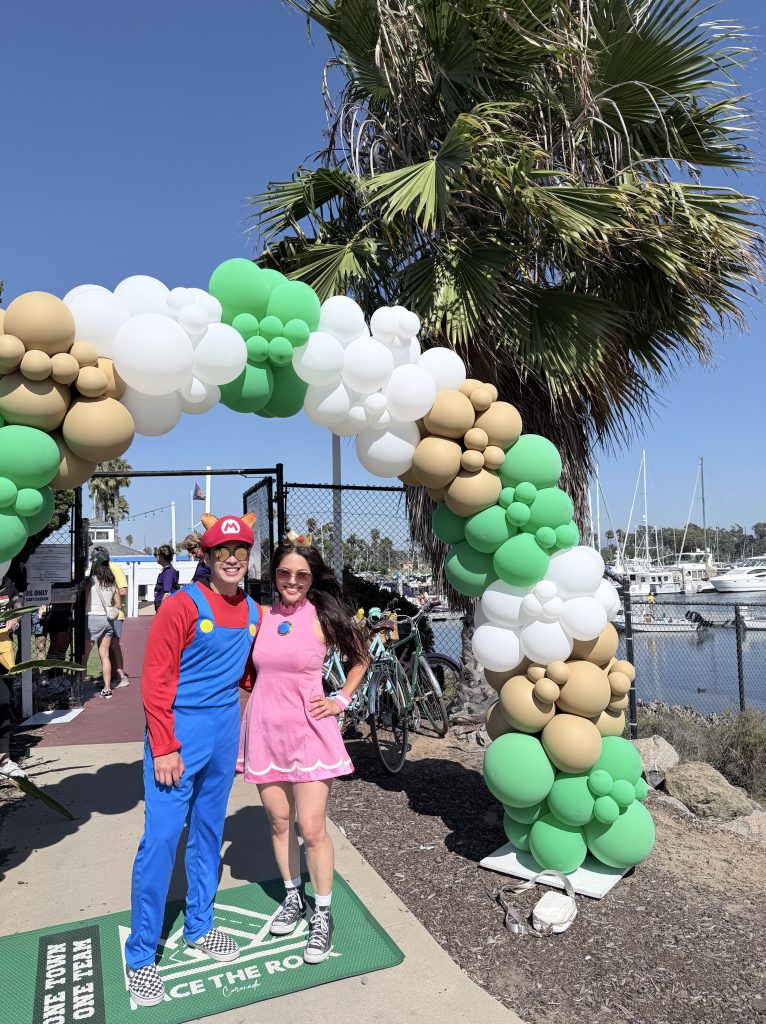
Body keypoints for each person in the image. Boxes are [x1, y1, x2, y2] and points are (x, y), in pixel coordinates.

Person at [124, 513, 260, 1007]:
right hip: (179, 734)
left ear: (248, 557)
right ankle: (141, 955)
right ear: (207, 556)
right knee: (161, 839)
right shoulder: (181, 606)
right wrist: (163, 745)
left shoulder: (253, 611)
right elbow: (156, 679)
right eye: (223, 551)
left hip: (224, 731)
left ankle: (200, 925)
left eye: (240, 551)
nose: (232, 559)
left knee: (207, 832)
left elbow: (250, 672)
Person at [237, 532, 369, 964]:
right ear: (274, 575)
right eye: (284, 573)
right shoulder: (260, 616)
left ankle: (323, 916)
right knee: (279, 823)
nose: (292, 581)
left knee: (311, 828)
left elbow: (361, 658)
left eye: (301, 574)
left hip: (310, 733)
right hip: (265, 732)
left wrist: (340, 700)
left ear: (312, 578)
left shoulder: (322, 616)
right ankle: (293, 898)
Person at [91, 546, 130, 688]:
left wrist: (110, 599)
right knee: (104, 649)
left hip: (114, 614)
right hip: (103, 614)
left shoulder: (114, 568)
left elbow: (122, 590)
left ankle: (121, 676)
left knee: (113, 645)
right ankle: (111, 676)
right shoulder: (98, 569)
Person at [85, 550, 121, 699]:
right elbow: (118, 604)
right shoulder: (112, 581)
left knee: (84, 656)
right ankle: (107, 688)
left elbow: (85, 601)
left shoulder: (90, 581)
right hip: (107, 620)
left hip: (92, 618)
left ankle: (79, 688)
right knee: (104, 655)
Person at [0, 573, 26, 781]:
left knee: (3, 701)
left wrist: (15, 617)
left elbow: (19, 600)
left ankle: (4, 760)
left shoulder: (7, 581)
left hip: (3, 649)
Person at [153, 545, 179, 611]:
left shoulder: (168, 572)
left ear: (161, 556)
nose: (156, 557)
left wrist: (162, 609)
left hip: (164, 606)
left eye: (156, 555)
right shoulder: (167, 571)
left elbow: (167, 593)